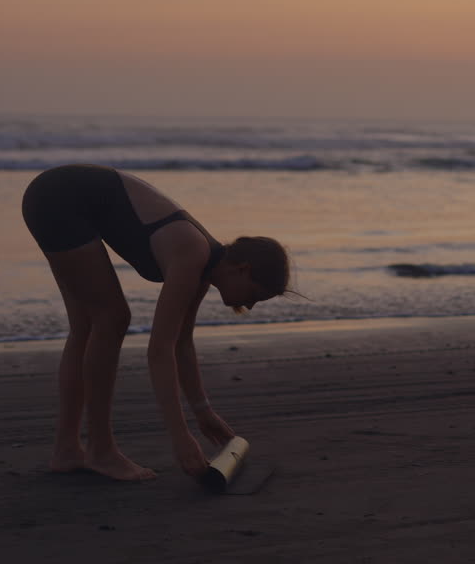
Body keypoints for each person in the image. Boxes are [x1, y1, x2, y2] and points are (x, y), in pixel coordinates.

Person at [21, 163, 291, 481]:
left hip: (55, 194)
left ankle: (67, 450)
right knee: (112, 318)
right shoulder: (193, 253)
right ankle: (101, 451)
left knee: (87, 323)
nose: (249, 305)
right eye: (255, 295)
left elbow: (181, 345)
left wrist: (204, 412)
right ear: (242, 269)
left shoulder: (202, 269)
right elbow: (159, 350)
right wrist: (180, 437)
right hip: (60, 197)